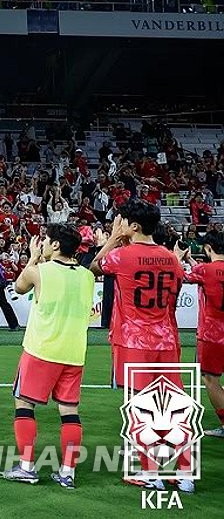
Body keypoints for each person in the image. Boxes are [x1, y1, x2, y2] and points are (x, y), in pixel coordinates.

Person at [91, 200, 187, 491]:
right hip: (166, 339)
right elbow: (175, 294)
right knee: (174, 407)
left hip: (134, 341)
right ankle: (184, 474)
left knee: (139, 408)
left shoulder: (122, 255)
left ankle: (151, 473)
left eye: (122, 221)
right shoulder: (172, 258)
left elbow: (95, 266)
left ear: (133, 226)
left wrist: (112, 238)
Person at [0, 224, 95, 488]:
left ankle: (27, 466)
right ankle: (68, 472)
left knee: (24, 403)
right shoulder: (87, 276)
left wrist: (32, 258)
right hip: (74, 353)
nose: (41, 243)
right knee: (69, 411)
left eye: (45, 240)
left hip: (42, 350)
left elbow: (18, 287)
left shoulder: (39, 271)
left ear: (55, 245)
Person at [185, 231, 224, 438]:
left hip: (213, 335)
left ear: (208, 248)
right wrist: (191, 259)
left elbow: (184, 276)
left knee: (211, 380)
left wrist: (180, 257)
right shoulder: (205, 269)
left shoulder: (205, 270)